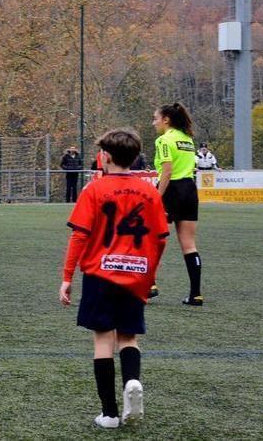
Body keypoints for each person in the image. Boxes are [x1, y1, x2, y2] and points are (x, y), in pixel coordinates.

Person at [60, 129, 169, 428]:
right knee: (129, 337)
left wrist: (67, 276)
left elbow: (79, 235)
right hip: (136, 273)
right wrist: (149, 274)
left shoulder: (94, 190)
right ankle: (132, 381)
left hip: (100, 274)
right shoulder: (149, 191)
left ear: (105, 156)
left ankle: (108, 413)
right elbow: (160, 238)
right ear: (135, 158)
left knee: (102, 340)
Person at [150, 103, 202, 305]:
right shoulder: (188, 139)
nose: (153, 122)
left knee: (151, 237)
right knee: (189, 244)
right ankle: (196, 294)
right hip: (190, 189)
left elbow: (168, 171)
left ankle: (150, 284)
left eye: (155, 118)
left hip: (171, 190)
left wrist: (157, 196)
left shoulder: (163, 140)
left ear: (166, 120)